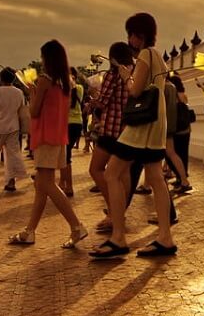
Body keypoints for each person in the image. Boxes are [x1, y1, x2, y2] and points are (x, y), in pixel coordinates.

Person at [91, 13, 177, 259]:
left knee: (112, 173)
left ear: (140, 34)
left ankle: (118, 237)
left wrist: (125, 76)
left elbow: (135, 90)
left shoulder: (146, 55)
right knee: (155, 177)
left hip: (141, 125)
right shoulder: (158, 56)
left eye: (132, 34)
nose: (130, 40)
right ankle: (165, 237)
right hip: (156, 124)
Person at [8, 41, 87, 249]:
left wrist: (32, 92)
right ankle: (30, 231)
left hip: (44, 136)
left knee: (47, 184)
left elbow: (34, 111)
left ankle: (76, 226)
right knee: (42, 186)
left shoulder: (45, 80)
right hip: (58, 136)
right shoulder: (67, 82)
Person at [86, 41, 132, 223]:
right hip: (127, 130)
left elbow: (103, 102)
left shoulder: (113, 74)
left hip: (111, 128)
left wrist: (92, 101)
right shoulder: (133, 72)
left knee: (96, 169)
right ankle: (120, 211)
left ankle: (114, 210)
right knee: (123, 173)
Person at [167, 74, 194, 194]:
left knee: (173, 154)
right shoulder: (184, 95)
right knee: (183, 154)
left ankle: (181, 178)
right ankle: (181, 177)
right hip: (186, 129)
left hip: (177, 129)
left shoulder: (173, 94)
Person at [63, 71, 86, 196]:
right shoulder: (80, 88)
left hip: (67, 124)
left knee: (65, 156)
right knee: (65, 154)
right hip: (78, 123)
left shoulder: (65, 90)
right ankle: (62, 183)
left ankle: (69, 187)